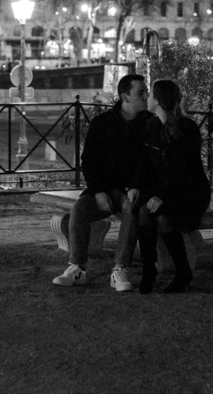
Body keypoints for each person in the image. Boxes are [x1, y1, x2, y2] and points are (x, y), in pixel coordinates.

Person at [52, 73, 153, 290]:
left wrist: (135, 185)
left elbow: (149, 162)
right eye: (141, 92)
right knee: (79, 209)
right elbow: (88, 160)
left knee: (132, 209)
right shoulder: (102, 123)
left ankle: (120, 268)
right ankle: (77, 267)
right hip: (103, 188)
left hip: (131, 190)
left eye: (146, 92)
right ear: (125, 96)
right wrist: (98, 190)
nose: (147, 96)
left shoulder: (150, 124)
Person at [128, 78, 212, 293]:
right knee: (144, 211)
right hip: (165, 189)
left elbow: (183, 169)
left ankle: (183, 272)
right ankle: (149, 270)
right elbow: (145, 162)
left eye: (150, 94)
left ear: (158, 100)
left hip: (189, 191)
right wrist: (135, 186)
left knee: (162, 214)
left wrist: (161, 195)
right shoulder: (153, 125)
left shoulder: (186, 128)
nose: (147, 98)